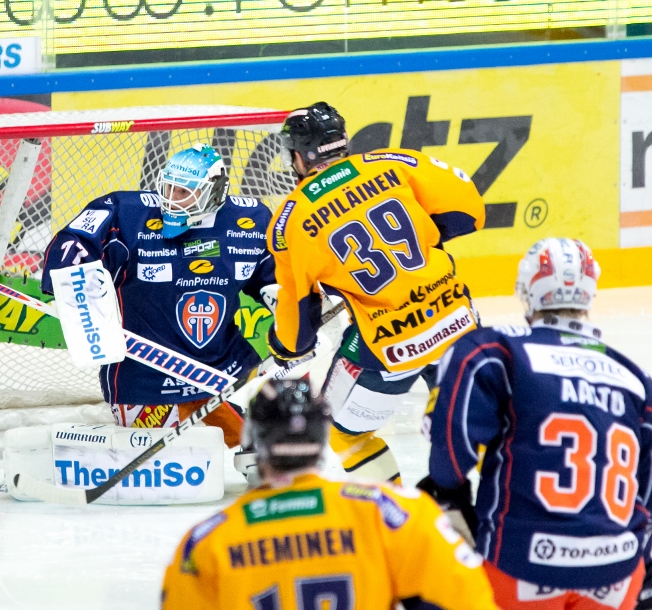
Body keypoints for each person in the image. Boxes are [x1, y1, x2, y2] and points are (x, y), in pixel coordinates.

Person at [424, 238, 652, 609]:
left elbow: (449, 455)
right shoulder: (634, 376)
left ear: (526, 291)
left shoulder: (495, 351)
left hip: (520, 564)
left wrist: (449, 494)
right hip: (616, 572)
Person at [266, 102, 486, 483]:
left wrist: (283, 345)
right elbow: (469, 214)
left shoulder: (291, 219)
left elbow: (299, 326)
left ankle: (398, 519)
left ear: (301, 156)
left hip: (389, 344)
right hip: (456, 318)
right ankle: (521, 497)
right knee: (474, 418)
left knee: (341, 434)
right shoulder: (395, 162)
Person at [160, 377, 499, 609]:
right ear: (322, 438)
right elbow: (468, 599)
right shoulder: (393, 513)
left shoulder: (206, 543)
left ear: (253, 441)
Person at [41, 143, 277, 448]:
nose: (171, 200)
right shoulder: (125, 213)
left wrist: (283, 299)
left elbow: (273, 272)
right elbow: (74, 241)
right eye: (169, 188)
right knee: (176, 469)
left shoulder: (250, 220)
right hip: (145, 380)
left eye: (183, 192)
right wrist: (70, 283)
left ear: (214, 193)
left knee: (266, 452)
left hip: (224, 371)